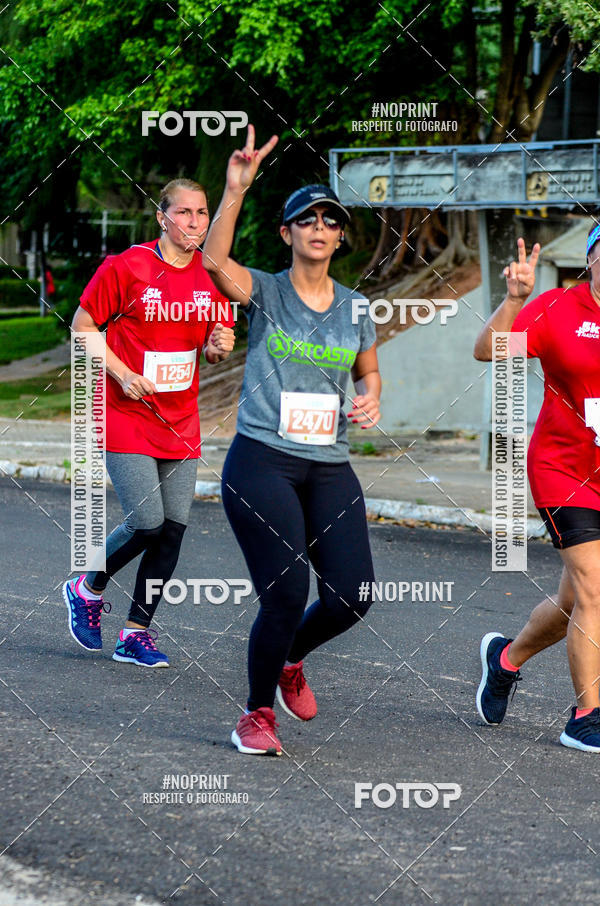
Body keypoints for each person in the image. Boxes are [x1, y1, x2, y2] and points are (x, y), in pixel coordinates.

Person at [203, 125, 381, 756]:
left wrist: (372, 397)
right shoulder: (268, 291)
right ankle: (254, 714)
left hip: (328, 463)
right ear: (287, 234)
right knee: (286, 591)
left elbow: (367, 368)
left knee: (354, 594)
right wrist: (234, 188)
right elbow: (214, 263)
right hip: (262, 462)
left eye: (330, 220)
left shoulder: (358, 307)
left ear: (339, 236)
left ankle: (291, 660)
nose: (318, 227)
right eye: (306, 219)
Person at [62, 178, 235, 667]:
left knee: (173, 529)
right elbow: (82, 326)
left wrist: (218, 349)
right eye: (183, 212)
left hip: (179, 417)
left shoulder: (211, 275)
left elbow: (213, 344)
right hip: (125, 411)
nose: (194, 222)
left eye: (201, 213)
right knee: (146, 521)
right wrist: (120, 371)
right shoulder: (129, 266)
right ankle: (87, 586)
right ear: (162, 217)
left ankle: (135, 633)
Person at [474, 228, 600, 751]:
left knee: (577, 599)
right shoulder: (557, 308)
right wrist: (514, 299)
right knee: (596, 588)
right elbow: (487, 351)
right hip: (562, 469)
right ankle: (586, 716)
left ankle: (505, 659)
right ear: (591, 258)